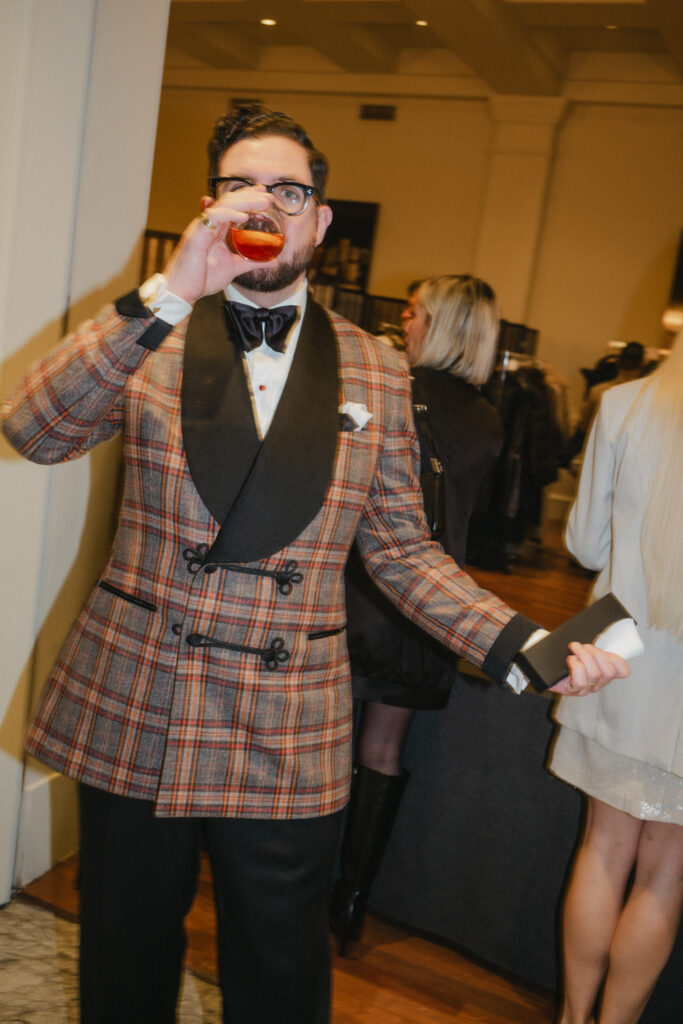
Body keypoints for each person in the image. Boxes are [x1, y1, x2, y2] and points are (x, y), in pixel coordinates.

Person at [1, 104, 628, 1024]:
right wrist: (169, 289)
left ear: (320, 221)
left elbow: (403, 551)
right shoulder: (156, 330)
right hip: (141, 694)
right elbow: (35, 430)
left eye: (289, 189)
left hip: (285, 714)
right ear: (212, 204)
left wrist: (524, 642)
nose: (267, 203)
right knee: (125, 950)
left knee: (281, 963)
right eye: (242, 184)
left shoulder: (376, 367)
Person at [330, 273, 504, 951]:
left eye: (413, 312)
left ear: (439, 324)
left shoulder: (389, 389)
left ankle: (303, 883)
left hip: (363, 586)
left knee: (318, 744)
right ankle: (351, 900)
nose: (403, 322)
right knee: (382, 748)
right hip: (434, 604)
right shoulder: (488, 418)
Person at [549, 330, 683, 1024]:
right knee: (665, 871)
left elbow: (583, 545)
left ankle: (573, 1019)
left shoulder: (623, 403)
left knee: (602, 849)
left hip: (619, 659)